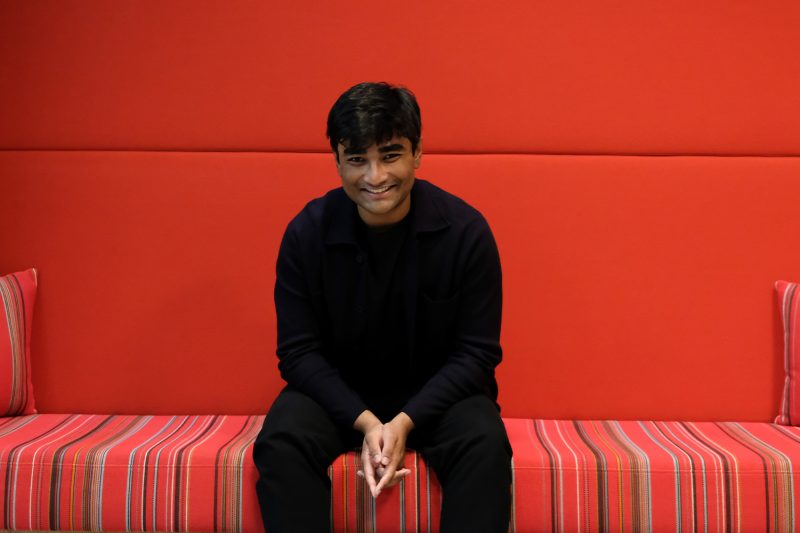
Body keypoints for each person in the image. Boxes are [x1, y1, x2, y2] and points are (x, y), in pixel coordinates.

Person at [252, 81, 512, 532]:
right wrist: (368, 421)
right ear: (336, 160)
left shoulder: (466, 232)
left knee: (485, 441)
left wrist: (405, 422)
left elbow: (477, 354)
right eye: (357, 160)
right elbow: (297, 353)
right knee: (282, 438)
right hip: (338, 398)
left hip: (437, 398)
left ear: (417, 153)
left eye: (390, 155)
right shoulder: (306, 233)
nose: (375, 177)